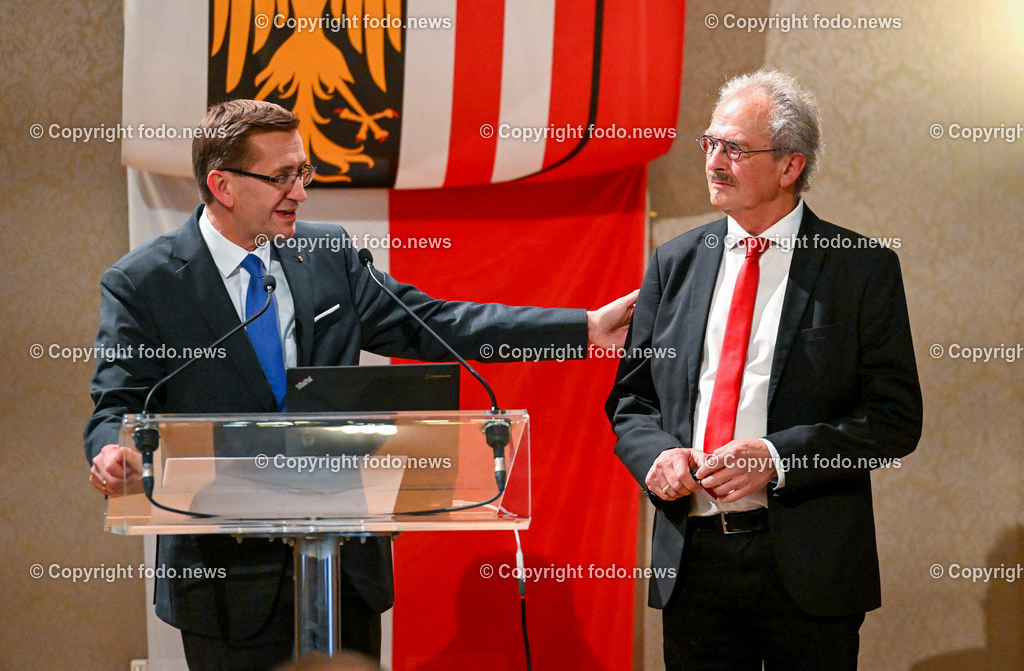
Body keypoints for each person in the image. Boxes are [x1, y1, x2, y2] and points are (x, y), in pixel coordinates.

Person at [85, 99, 637, 670]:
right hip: (226, 577)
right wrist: (110, 452)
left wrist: (585, 327)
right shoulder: (144, 283)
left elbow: (439, 325)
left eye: (304, 173)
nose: (299, 192)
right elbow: (118, 402)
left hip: (342, 566)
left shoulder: (329, 256)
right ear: (222, 185)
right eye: (281, 177)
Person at [606, 69, 923, 670]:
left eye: (736, 149)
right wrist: (657, 456)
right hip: (693, 560)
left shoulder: (861, 270)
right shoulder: (673, 263)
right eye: (711, 143)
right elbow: (632, 401)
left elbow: (894, 420)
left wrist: (776, 459)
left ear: (790, 166)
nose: (715, 162)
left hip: (807, 565)